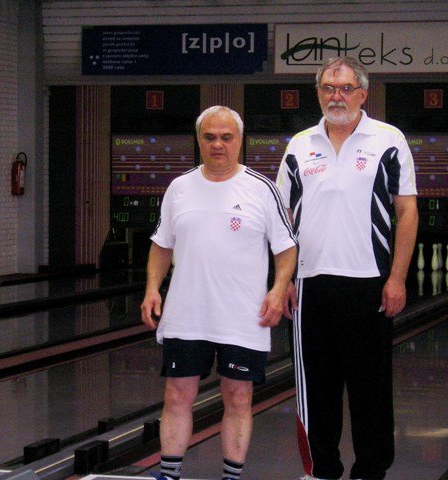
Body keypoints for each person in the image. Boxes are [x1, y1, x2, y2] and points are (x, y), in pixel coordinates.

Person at [276, 57, 418, 480]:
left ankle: (370, 472)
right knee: (316, 390)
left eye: (345, 88)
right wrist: (283, 280)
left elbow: (407, 212)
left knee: (370, 390)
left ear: (362, 94)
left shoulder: (389, 140)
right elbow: (283, 218)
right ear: (318, 93)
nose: (336, 96)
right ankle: (321, 471)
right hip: (310, 284)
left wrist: (397, 278)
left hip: (369, 283)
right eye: (328, 88)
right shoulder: (299, 144)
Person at [141, 105, 297, 480]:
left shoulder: (263, 189)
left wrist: (278, 290)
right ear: (199, 139)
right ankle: (168, 474)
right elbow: (161, 245)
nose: (217, 144)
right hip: (186, 314)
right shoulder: (179, 188)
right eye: (209, 137)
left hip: (243, 317)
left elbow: (286, 248)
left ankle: (231, 477)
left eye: (226, 137)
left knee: (238, 398)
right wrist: (151, 288)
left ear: (240, 140)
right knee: (176, 396)